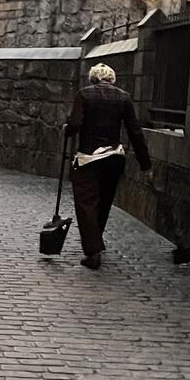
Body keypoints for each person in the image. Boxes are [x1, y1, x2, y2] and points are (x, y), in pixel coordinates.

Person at [65, 64, 152, 269]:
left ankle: (93, 251)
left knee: (86, 204)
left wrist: (68, 129)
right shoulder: (124, 97)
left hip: (88, 158)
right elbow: (135, 132)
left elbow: (75, 124)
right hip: (114, 158)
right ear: (112, 79)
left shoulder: (84, 95)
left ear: (93, 79)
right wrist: (145, 165)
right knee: (103, 203)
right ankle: (96, 243)